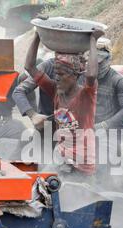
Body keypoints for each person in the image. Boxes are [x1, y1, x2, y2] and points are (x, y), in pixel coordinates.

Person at [24, 28, 104, 176]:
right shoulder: (56, 90)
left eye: (61, 74)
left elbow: (91, 74)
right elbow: (29, 67)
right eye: (56, 74)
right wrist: (37, 34)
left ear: (74, 75)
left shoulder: (85, 95)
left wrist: (93, 39)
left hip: (81, 165)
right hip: (61, 158)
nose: (57, 78)